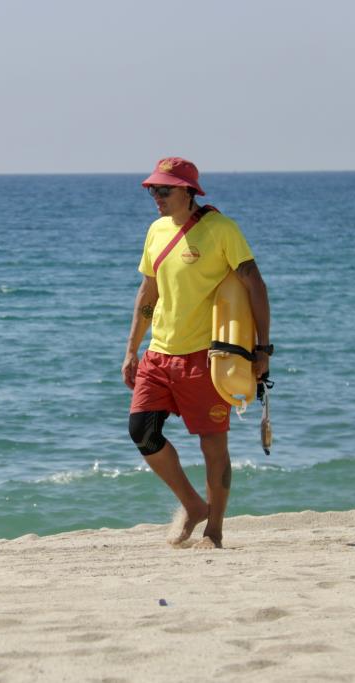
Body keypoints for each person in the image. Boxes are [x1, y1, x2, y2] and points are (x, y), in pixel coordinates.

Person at [123, 157, 271, 550]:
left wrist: (261, 349)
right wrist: (132, 348)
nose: (156, 197)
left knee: (212, 443)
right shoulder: (155, 231)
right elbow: (147, 293)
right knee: (142, 431)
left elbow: (255, 284)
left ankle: (215, 530)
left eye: (164, 190)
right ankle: (192, 503)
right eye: (153, 189)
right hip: (159, 353)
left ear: (188, 192)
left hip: (204, 357)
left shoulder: (222, 230)